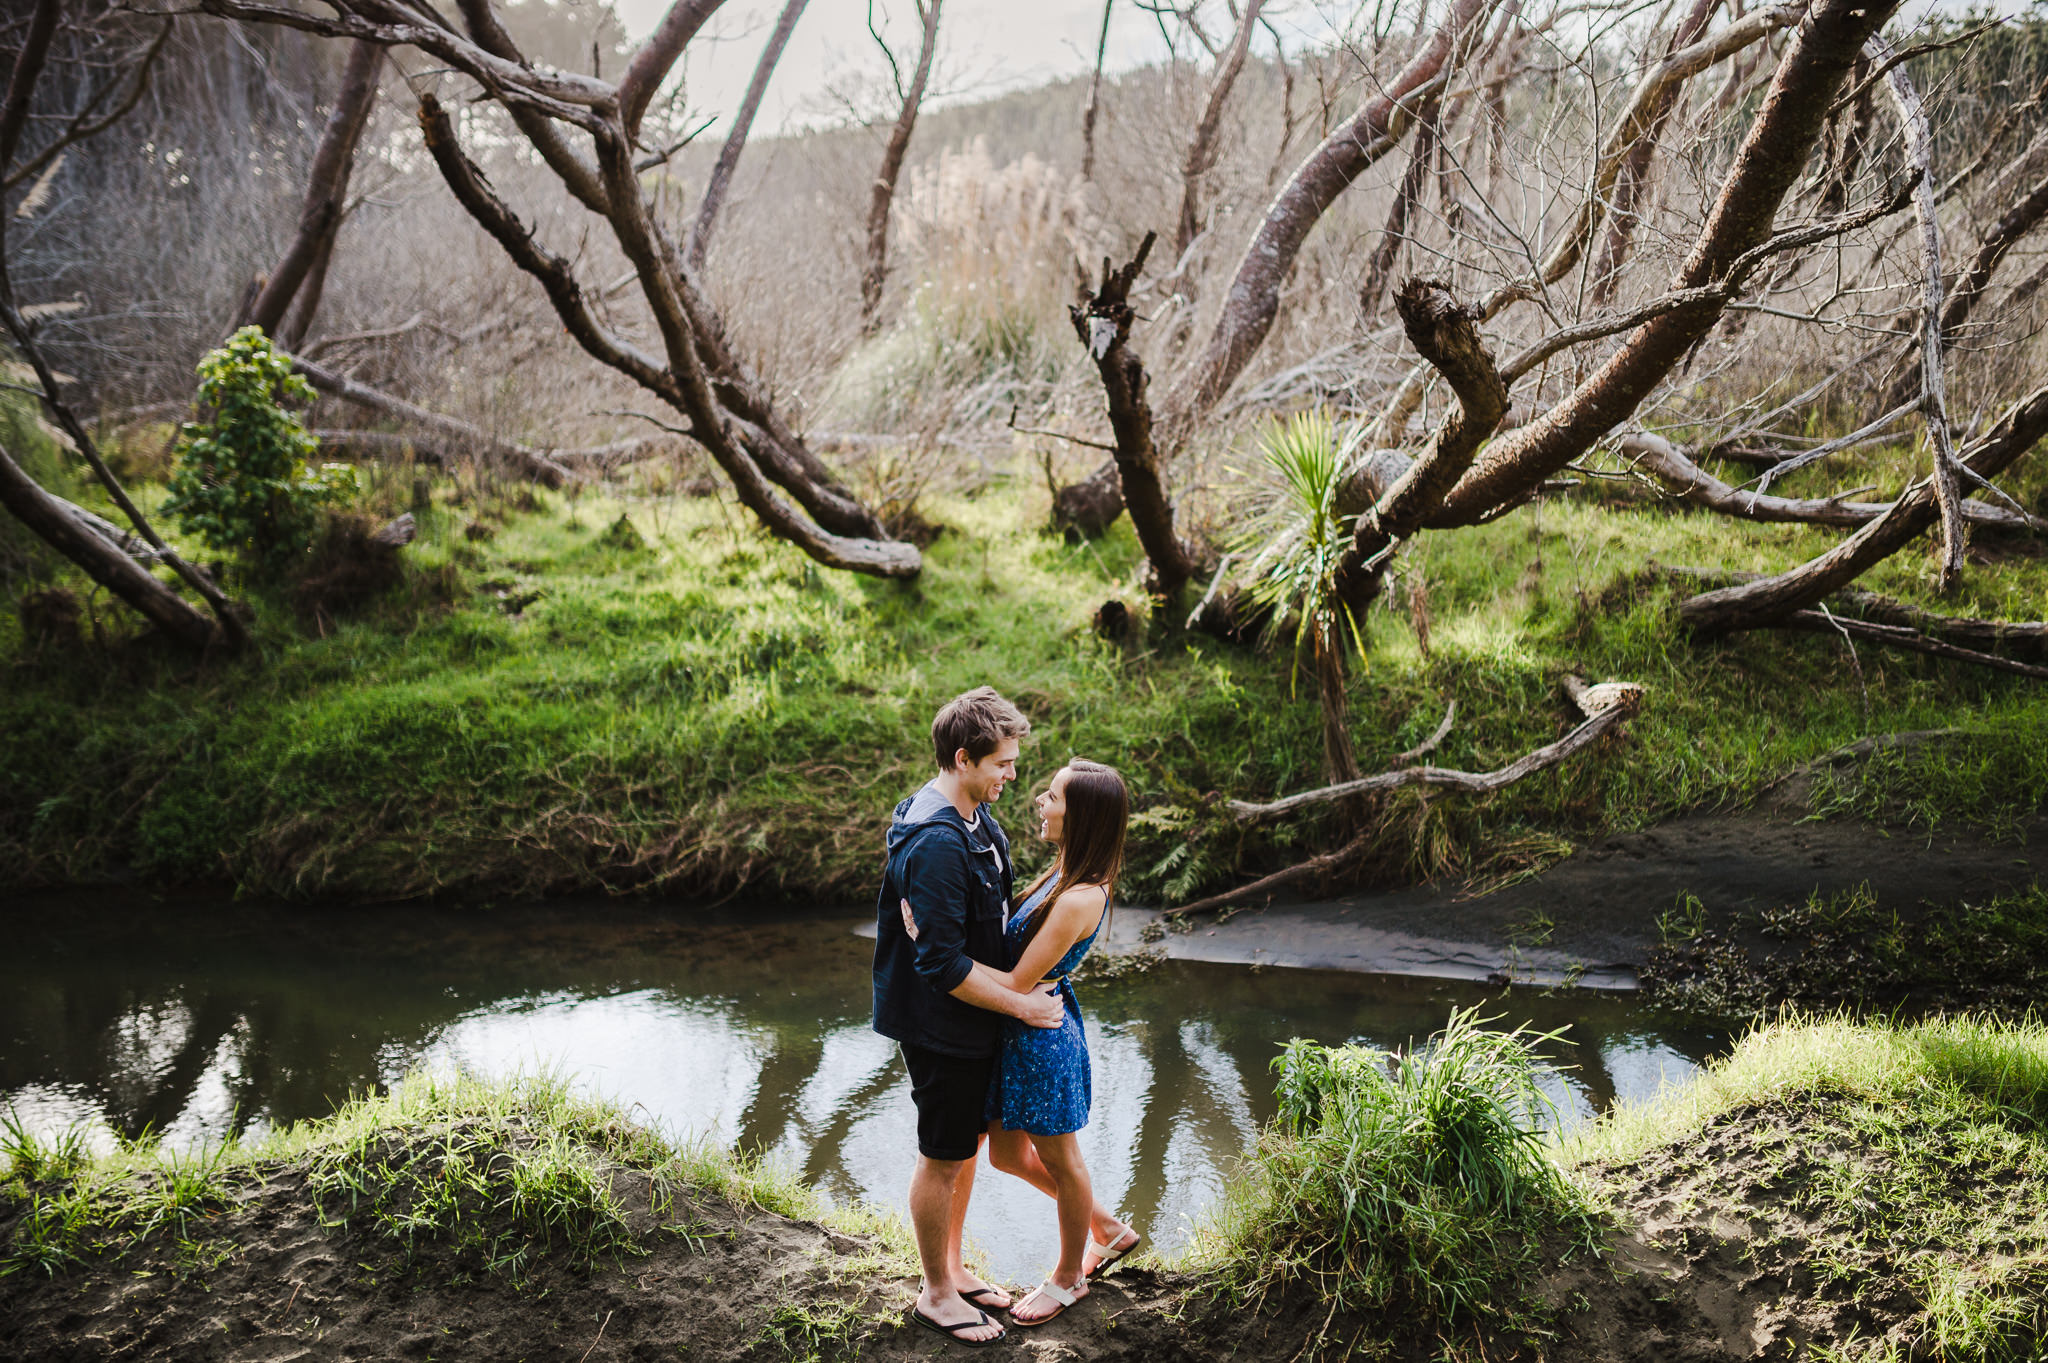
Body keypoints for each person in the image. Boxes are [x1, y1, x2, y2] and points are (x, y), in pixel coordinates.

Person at [900, 759, 1142, 1329]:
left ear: (1079, 815)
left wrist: (928, 938)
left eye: (1052, 796)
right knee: (1008, 1154)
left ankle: (1068, 1278)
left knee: (1063, 1159)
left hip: (1040, 1039)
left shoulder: (1082, 896)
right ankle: (1107, 1229)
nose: (1039, 800)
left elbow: (1014, 983)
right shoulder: (1064, 871)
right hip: (1018, 1030)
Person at [871, 687, 1064, 1348]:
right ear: (963, 757)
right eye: (1003, 763)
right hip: (940, 1025)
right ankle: (936, 1293)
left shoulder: (974, 813)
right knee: (942, 1155)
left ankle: (952, 1269)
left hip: (973, 1019)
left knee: (967, 1148)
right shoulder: (936, 839)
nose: (1013, 774)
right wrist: (1024, 1004)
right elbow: (942, 965)